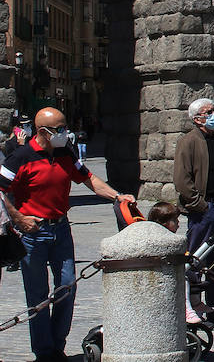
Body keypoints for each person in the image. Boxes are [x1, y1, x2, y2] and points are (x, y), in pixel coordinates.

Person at [0, 106, 133, 361]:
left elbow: (88, 179)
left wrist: (117, 196)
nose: (65, 132)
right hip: (33, 234)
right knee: (37, 295)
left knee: (67, 287)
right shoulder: (21, 157)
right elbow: (0, 190)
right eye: (60, 129)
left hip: (61, 229)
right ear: (42, 132)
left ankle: (57, 345)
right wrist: (18, 219)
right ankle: (44, 352)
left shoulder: (65, 153)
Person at [173, 97, 214, 327]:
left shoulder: (213, 138)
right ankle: (193, 307)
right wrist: (199, 204)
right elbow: (182, 178)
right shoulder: (189, 141)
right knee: (197, 259)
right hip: (205, 209)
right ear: (197, 117)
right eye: (209, 111)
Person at [146, 201, 200, 324]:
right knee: (183, 279)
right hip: (160, 273)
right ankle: (187, 309)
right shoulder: (158, 240)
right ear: (164, 223)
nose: (178, 224)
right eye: (175, 220)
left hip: (172, 269)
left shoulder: (174, 240)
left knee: (193, 275)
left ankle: (196, 303)